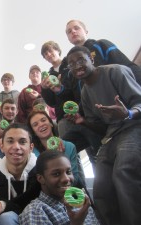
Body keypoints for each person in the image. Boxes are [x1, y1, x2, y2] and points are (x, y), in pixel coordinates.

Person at [66, 45, 141, 225]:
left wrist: (128, 113)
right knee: (101, 188)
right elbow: (101, 127)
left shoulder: (116, 72)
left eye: (81, 60)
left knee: (123, 171)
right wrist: (83, 122)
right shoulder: (84, 91)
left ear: (92, 59)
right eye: (71, 64)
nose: (77, 66)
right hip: (111, 136)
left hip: (133, 127)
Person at [40, 40, 102, 170]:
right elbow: (51, 102)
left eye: (50, 50)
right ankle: (78, 187)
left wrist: (61, 88)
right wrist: (45, 89)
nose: (49, 54)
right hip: (63, 118)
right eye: (46, 53)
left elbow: (78, 90)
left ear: (57, 50)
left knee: (95, 153)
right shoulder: (48, 76)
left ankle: (102, 181)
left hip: (83, 112)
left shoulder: (71, 64)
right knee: (69, 156)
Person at [0, 123, 38, 225]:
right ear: (2, 146)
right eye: (10, 141)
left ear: (31, 147)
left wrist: (2, 205)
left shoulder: (41, 175)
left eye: (22, 142)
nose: (16, 147)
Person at [19, 150, 99, 225]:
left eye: (68, 172)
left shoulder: (83, 206)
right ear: (41, 178)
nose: (66, 178)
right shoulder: (35, 211)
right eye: (56, 174)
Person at [65, 19, 141, 84]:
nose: (73, 31)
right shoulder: (71, 63)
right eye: (69, 31)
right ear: (68, 39)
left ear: (85, 31)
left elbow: (127, 65)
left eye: (76, 28)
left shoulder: (101, 44)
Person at [27, 109, 83, 188]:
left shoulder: (69, 146)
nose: (41, 125)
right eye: (35, 124)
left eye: (43, 120)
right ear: (34, 132)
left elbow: (75, 179)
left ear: (51, 123)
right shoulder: (32, 153)